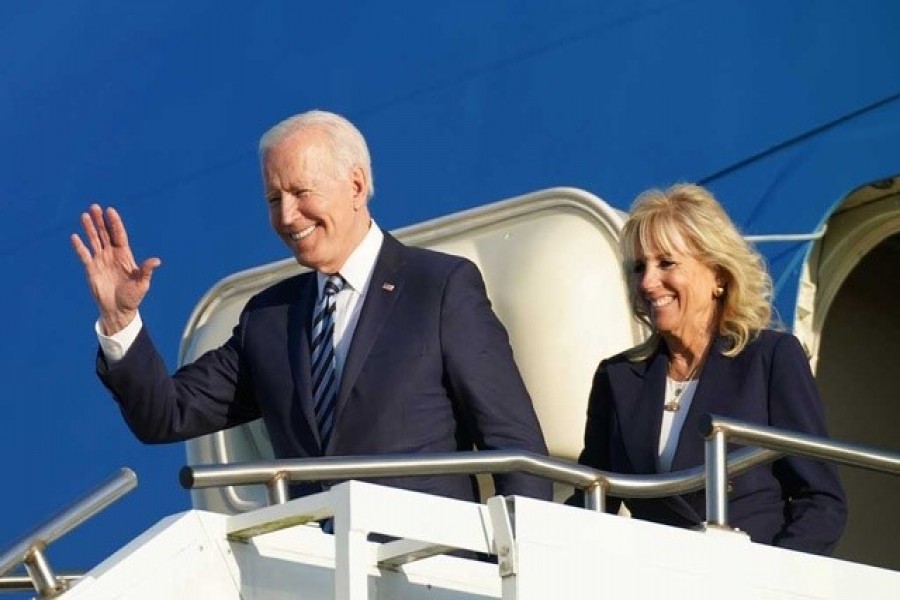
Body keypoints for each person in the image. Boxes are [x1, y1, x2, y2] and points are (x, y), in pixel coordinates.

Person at [71, 109, 552, 504]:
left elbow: (513, 446)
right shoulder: (269, 319)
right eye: (273, 198)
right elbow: (167, 415)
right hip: (314, 571)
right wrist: (119, 319)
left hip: (429, 566)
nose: (286, 216)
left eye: (301, 193)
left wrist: (518, 567)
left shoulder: (439, 288)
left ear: (356, 186)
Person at [572, 183, 846, 555]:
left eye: (666, 263)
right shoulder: (617, 378)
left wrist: (774, 574)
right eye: (639, 267)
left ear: (717, 274)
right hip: (656, 573)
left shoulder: (770, 358)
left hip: (751, 571)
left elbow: (820, 501)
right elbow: (591, 503)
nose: (648, 283)